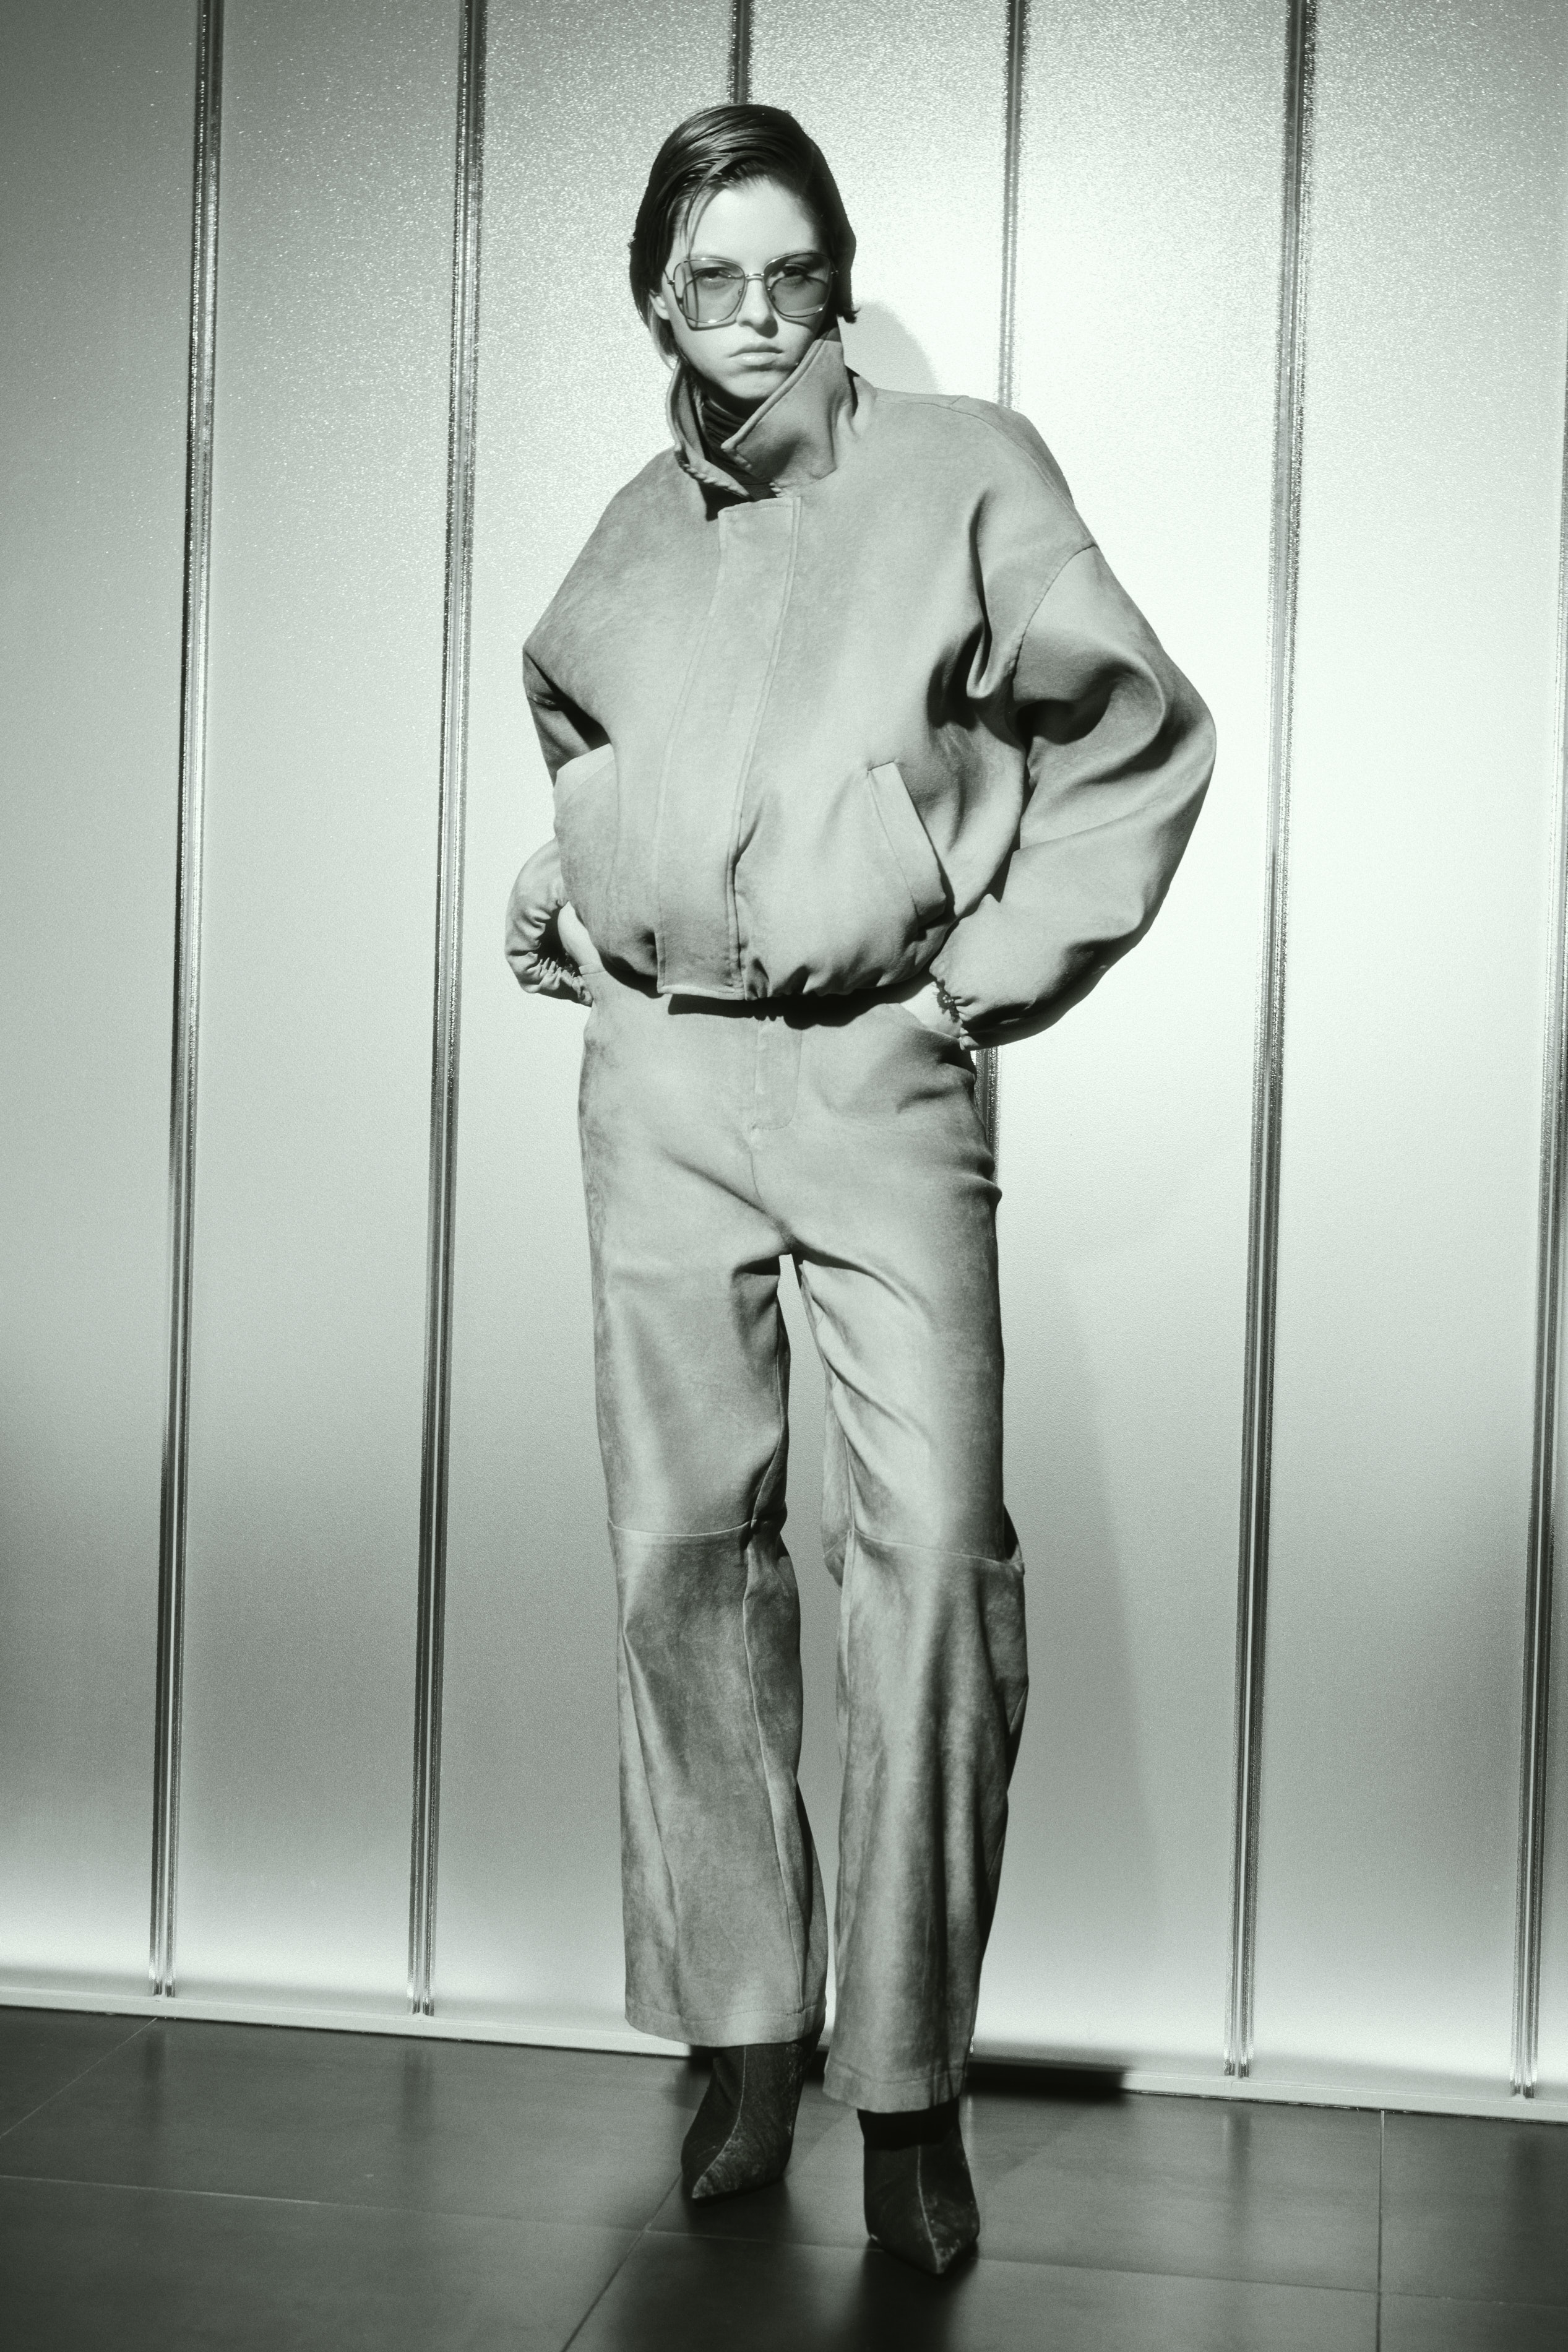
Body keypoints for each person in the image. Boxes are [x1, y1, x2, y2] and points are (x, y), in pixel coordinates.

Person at [506, 102, 1213, 2275]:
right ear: (658, 299)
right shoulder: (631, 532)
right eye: (711, 279)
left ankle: (908, 2085)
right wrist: (579, 879)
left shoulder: (964, 470)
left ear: (835, 277)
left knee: (929, 1561)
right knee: (681, 1559)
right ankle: (743, 2040)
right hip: (659, 1087)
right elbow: (603, 747)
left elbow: (1137, 731)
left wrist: (979, 969)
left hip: (873, 1080)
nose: (757, 315)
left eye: (792, 272)